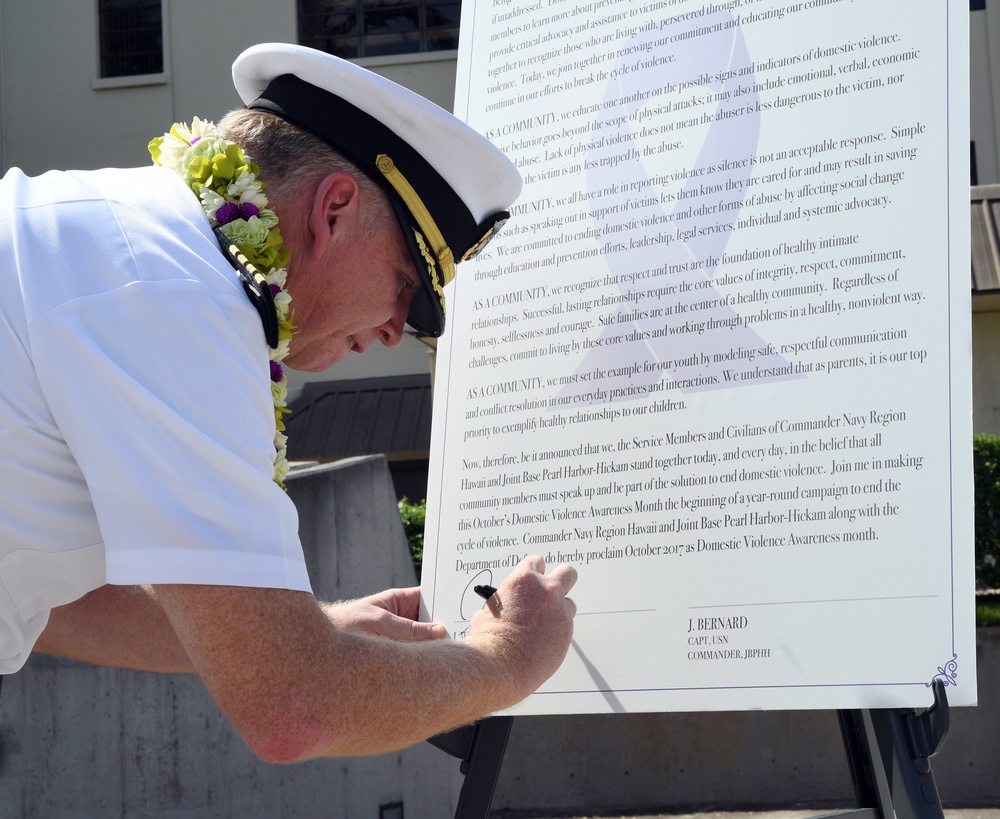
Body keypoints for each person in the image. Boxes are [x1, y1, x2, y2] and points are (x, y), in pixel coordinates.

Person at [0, 42, 577, 762]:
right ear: (334, 210)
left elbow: (49, 602)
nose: (396, 331)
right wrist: (509, 658)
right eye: (405, 282)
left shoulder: (138, 244)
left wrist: (315, 626)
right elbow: (295, 709)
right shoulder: (185, 299)